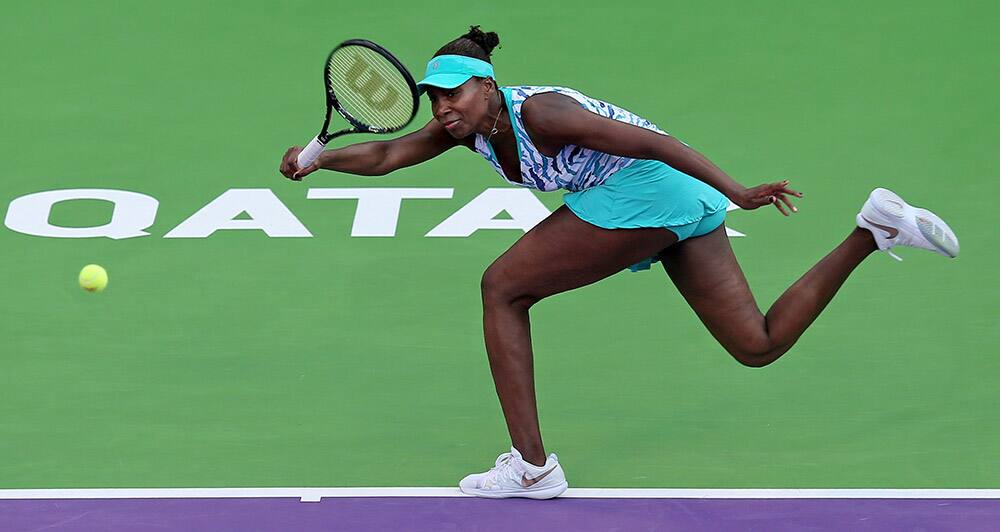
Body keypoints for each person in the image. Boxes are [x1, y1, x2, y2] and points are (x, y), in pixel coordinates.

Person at [279, 26, 960, 499]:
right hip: (661, 199)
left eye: (454, 93)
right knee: (757, 344)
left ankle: (533, 467)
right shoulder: (464, 130)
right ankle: (871, 231)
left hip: (650, 186)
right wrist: (318, 159)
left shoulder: (542, 114)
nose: (443, 106)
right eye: (435, 95)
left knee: (503, 288)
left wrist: (739, 191)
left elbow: (649, 140)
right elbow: (388, 154)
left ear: (489, 87)